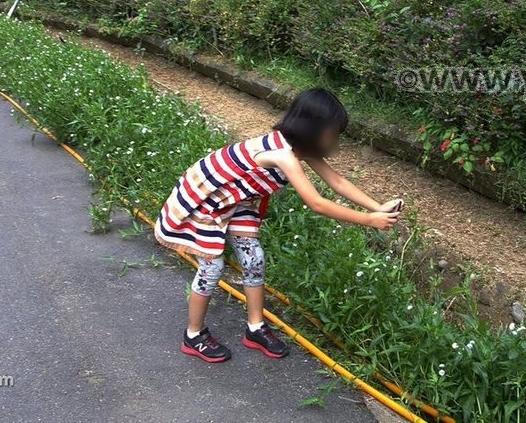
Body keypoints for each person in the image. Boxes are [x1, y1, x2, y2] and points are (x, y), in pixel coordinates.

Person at [154, 87, 403, 362]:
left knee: (254, 259)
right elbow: (316, 203)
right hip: (208, 199)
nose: (335, 138)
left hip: (239, 200)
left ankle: (255, 328)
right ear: (312, 128)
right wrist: (369, 220)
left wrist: (377, 207)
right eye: (332, 132)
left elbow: (338, 182)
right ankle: (193, 335)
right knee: (212, 267)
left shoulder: (300, 149)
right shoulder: (282, 154)